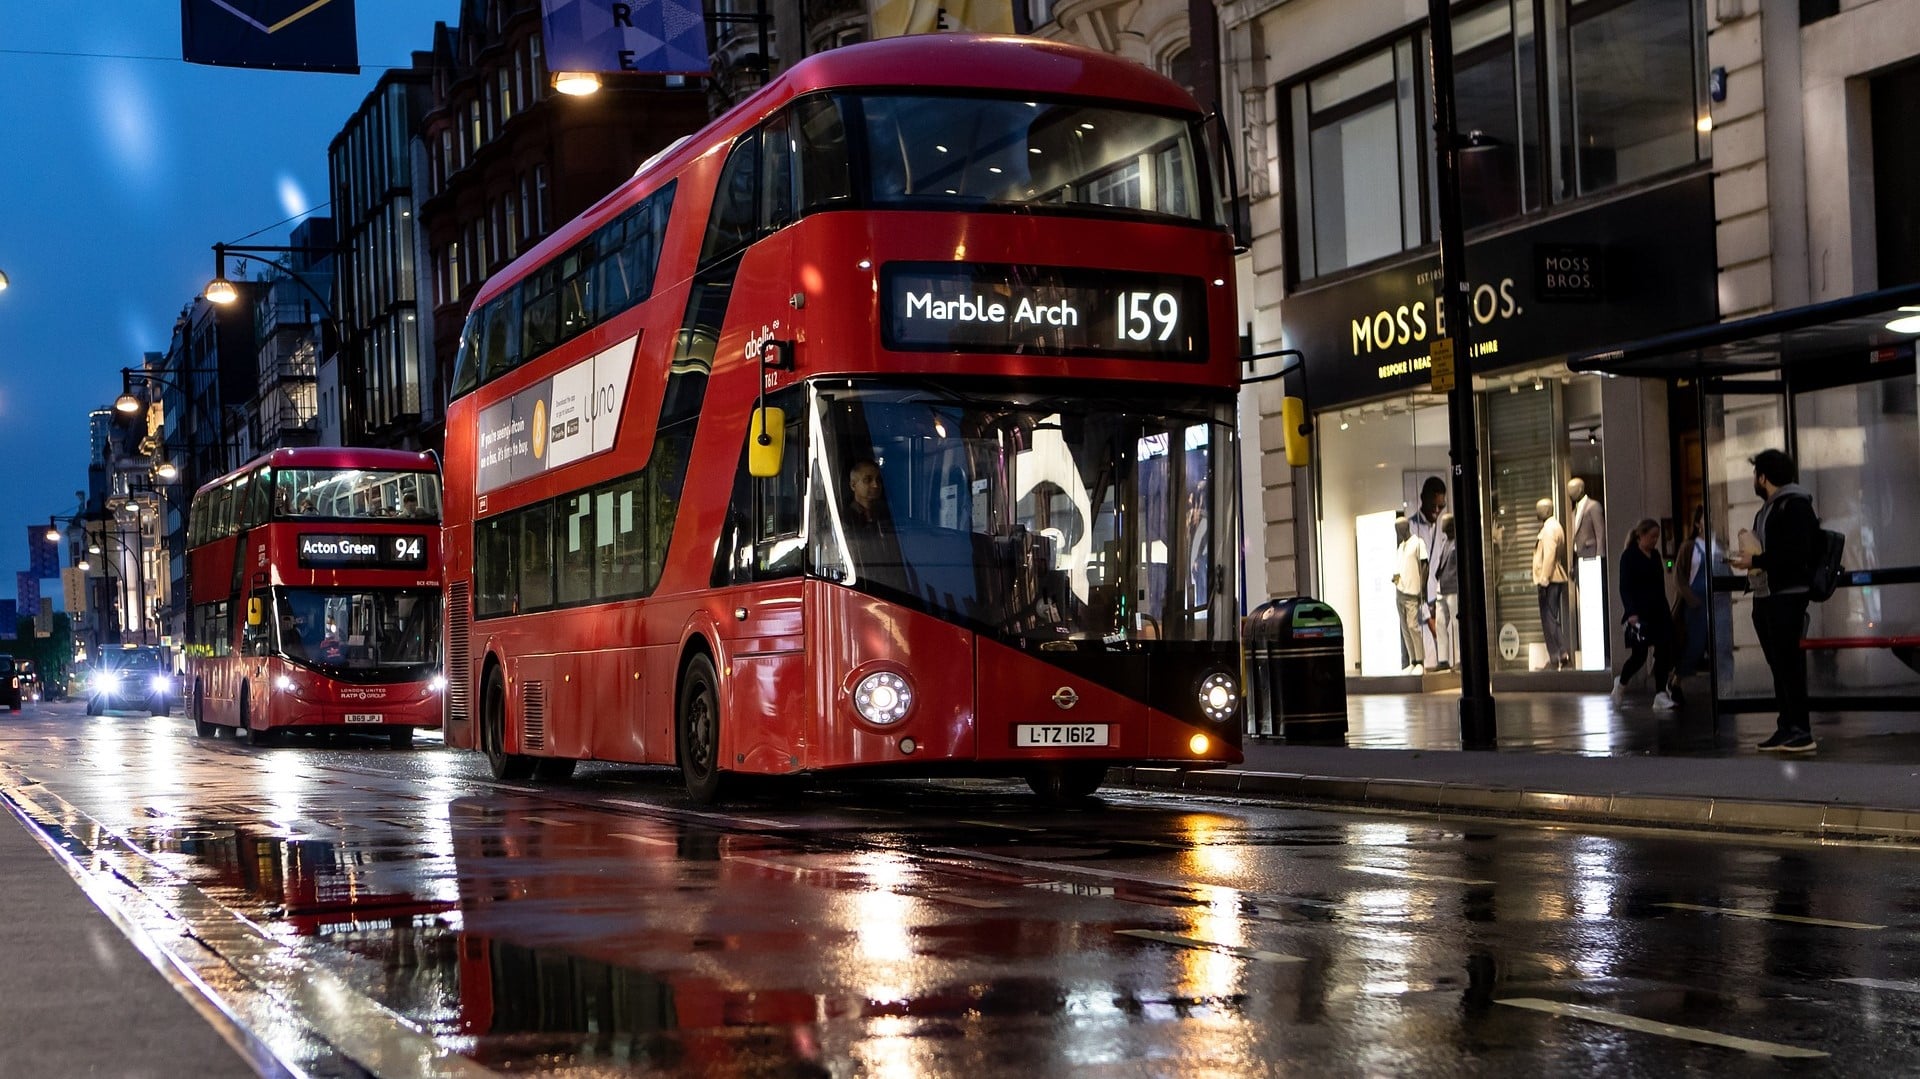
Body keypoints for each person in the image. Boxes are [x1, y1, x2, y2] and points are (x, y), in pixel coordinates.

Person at [1730, 448, 1820, 753]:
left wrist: (1759, 559)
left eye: (1756, 475)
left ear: (1763, 477)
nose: (1754, 480)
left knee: (1789, 666)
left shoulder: (1794, 506)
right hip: (1767, 595)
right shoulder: (1770, 508)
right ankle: (1787, 726)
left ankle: (1801, 730)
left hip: (1786, 597)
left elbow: (1797, 553)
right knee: (1779, 666)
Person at [1612, 519, 1678, 709]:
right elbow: (1625, 586)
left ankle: (1660, 693)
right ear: (1641, 535)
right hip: (1639, 612)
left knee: (1663, 651)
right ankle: (1622, 682)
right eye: (1652, 537)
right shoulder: (1629, 556)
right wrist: (1631, 612)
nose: (1655, 540)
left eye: (1657, 537)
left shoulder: (1655, 556)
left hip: (1658, 610)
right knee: (1639, 656)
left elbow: (1659, 585)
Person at [1531, 497, 1571, 669]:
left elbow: (1549, 555)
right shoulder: (1556, 526)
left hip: (1550, 578)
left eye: (1539, 509)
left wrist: (1544, 579)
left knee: (1548, 619)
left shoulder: (1549, 529)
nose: (1536, 512)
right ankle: (1558, 655)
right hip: (1554, 576)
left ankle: (1560, 654)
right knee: (1550, 618)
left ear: (1547, 510)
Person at [1392, 515, 1428, 674]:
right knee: (1404, 627)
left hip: (1413, 591)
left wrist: (1423, 588)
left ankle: (1420, 660)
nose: (1396, 532)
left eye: (1397, 529)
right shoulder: (1401, 547)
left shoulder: (1418, 543)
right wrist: (1395, 581)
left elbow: (1424, 566)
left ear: (1404, 528)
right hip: (1400, 592)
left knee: (1413, 626)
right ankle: (1413, 660)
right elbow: (1399, 568)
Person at [1430, 513, 1459, 670]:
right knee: (1440, 623)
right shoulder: (1444, 542)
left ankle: (1461, 659)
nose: (1441, 525)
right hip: (1441, 589)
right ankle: (1443, 660)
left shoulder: (1458, 543)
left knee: (1457, 625)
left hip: (1454, 588)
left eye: (1445, 522)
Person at [845, 458, 888, 534]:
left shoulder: (888, 514)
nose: (875, 485)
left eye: (878, 480)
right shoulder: (844, 518)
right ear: (853, 485)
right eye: (868, 480)